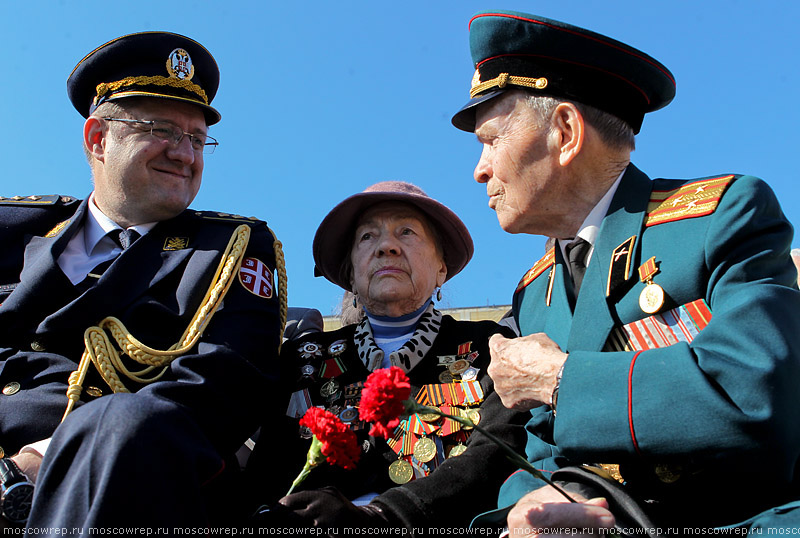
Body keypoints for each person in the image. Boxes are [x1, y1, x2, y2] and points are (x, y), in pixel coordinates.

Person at [450, 10, 800, 531]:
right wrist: (534, 502)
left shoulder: (721, 216)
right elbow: (543, 449)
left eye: (491, 139)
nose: (479, 169)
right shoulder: (534, 292)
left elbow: (758, 396)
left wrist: (561, 378)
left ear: (566, 132)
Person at [0, 32, 286, 530]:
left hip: (122, 481)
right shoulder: (11, 230)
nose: (186, 154)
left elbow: (222, 385)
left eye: (197, 139)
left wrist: (35, 461)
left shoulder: (230, 248)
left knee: (124, 424)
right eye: (162, 130)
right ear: (98, 139)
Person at [245, 181, 527, 532]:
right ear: (350, 273)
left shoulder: (487, 345)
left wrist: (383, 516)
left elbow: (499, 453)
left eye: (406, 232)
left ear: (442, 268)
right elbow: (264, 475)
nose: (386, 247)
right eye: (367, 237)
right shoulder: (305, 358)